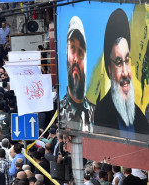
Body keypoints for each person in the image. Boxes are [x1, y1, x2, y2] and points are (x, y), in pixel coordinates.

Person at [94, 9, 149, 139]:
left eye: (127, 61)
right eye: (118, 62)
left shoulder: (139, 117)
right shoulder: (102, 113)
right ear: (109, 69)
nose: (125, 72)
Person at [59, 16, 94, 132]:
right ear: (66, 56)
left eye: (80, 52)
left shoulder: (96, 112)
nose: (75, 59)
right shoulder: (59, 111)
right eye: (72, 48)